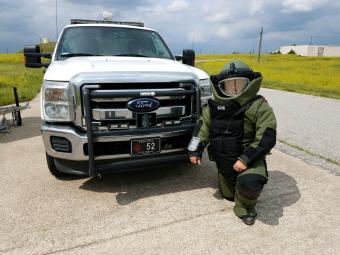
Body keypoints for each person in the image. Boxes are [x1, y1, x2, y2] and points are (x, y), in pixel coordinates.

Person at [188, 60, 277, 225]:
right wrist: (195, 150)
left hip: (249, 160)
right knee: (228, 196)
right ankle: (230, 183)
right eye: (229, 85)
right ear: (221, 87)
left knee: (250, 185)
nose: (235, 89)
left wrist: (246, 159)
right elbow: (202, 129)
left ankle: (245, 208)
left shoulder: (259, 106)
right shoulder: (212, 108)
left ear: (249, 84)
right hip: (224, 162)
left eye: (240, 84)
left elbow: (267, 137)